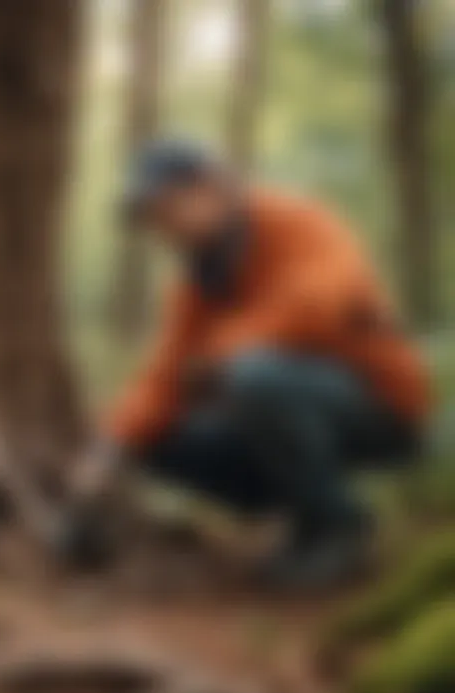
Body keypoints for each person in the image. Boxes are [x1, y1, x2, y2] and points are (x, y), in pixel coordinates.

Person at [64, 139, 431, 591]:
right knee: (155, 436)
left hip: (381, 405)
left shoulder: (299, 222)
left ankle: (338, 526)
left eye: (168, 207)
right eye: (152, 218)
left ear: (211, 188)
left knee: (256, 376)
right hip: (286, 410)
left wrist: (219, 357)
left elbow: (319, 305)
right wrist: (109, 453)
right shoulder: (197, 284)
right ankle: (286, 503)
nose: (163, 227)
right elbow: (163, 376)